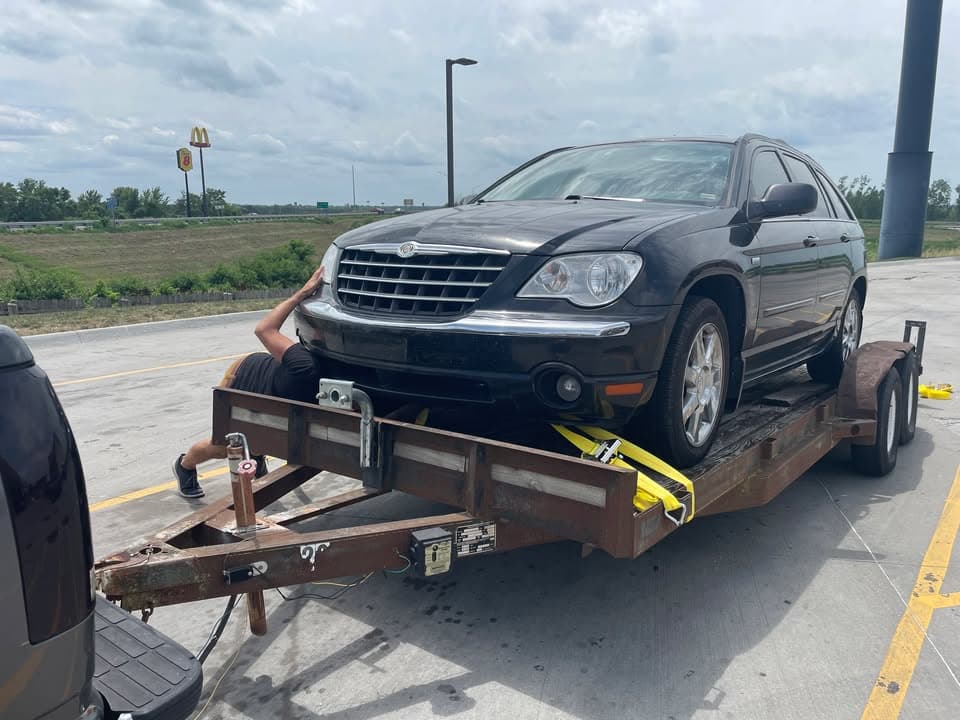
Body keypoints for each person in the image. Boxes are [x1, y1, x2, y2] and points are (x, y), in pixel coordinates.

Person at [173, 266, 327, 498]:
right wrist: (301, 294)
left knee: (267, 433)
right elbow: (263, 329)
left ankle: (255, 451)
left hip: (277, 398)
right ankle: (185, 465)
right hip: (247, 379)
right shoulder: (305, 365)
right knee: (223, 446)